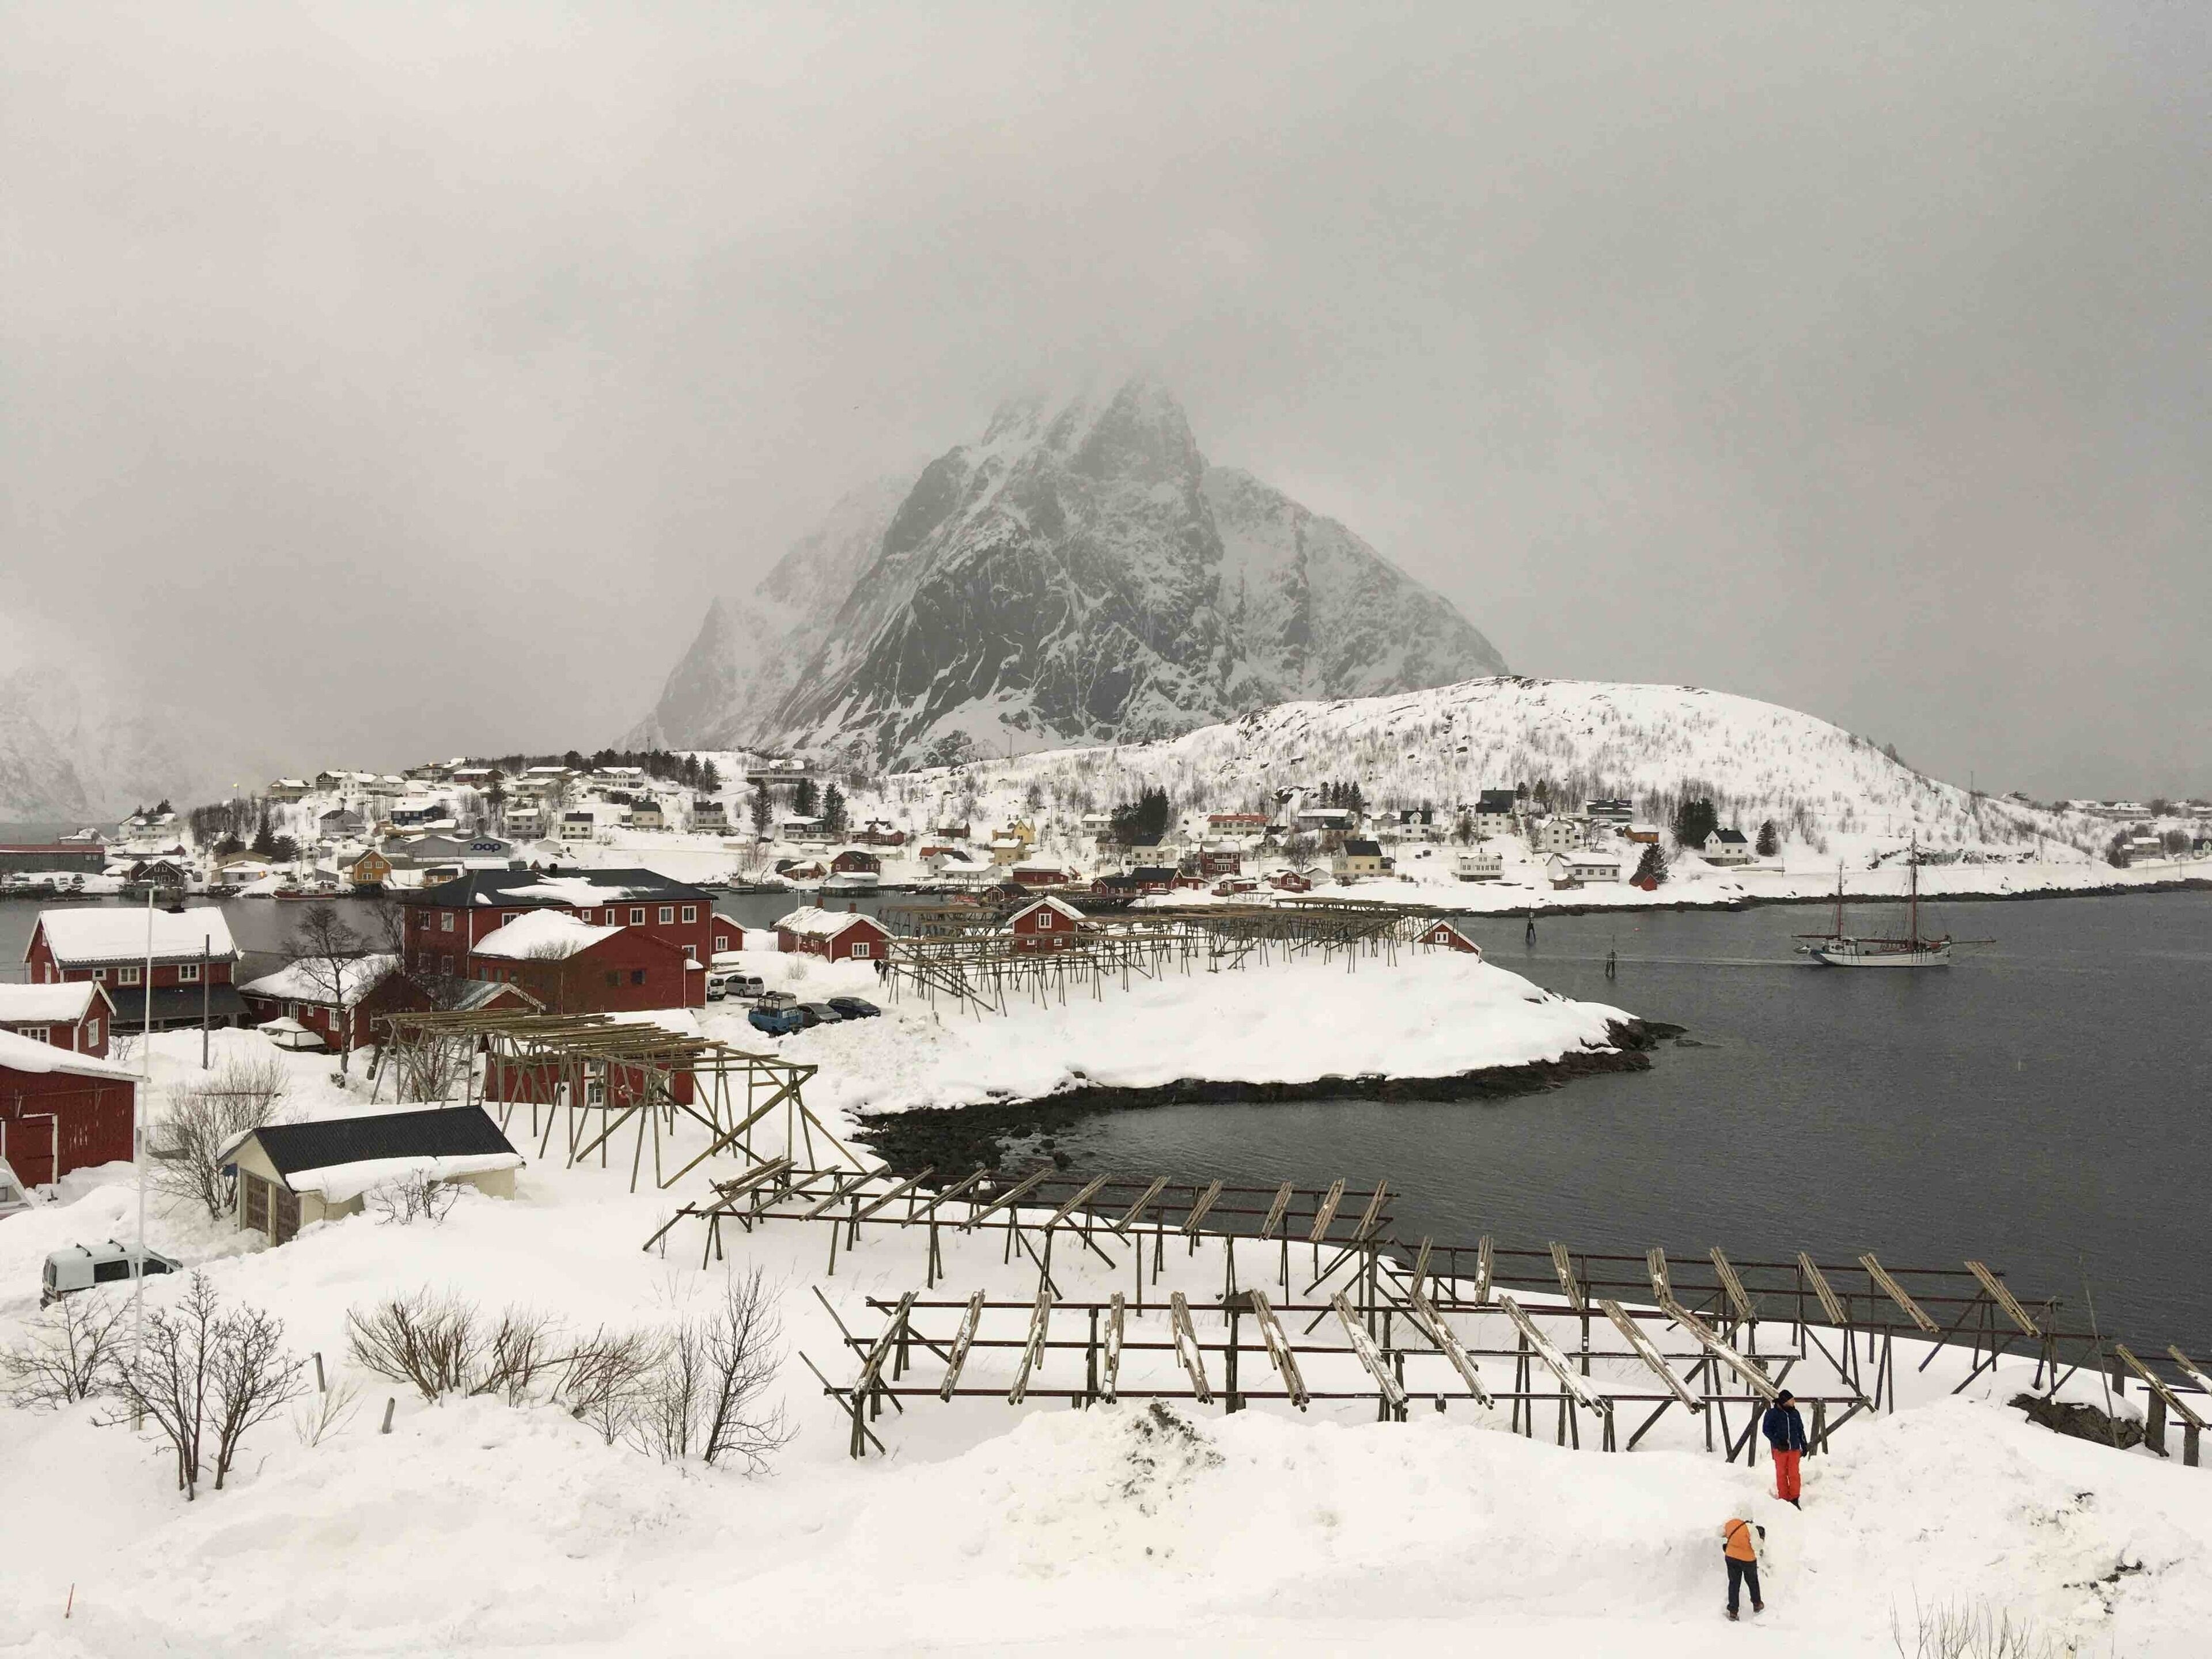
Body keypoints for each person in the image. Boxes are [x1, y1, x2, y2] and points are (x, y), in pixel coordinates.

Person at [1763, 1388, 1809, 1506]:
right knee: (1781, 1474)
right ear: (1785, 1401)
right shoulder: (1772, 1414)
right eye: (1792, 1400)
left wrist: (1804, 1444)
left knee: (1794, 1474)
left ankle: (1794, 1499)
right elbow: (1766, 1430)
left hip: (1794, 1448)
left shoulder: (1795, 1413)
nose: (1794, 1402)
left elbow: (1800, 1430)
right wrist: (1778, 1442)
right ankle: (1783, 1498)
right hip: (1780, 1450)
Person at [1720, 1516, 1764, 1620]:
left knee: (1734, 1583)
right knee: (1752, 1582)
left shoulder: (1730, 1523)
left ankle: (1733, 1611)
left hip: (1731, 1557)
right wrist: (1762, 1539)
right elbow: (1756, 1546)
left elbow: (1720, 1533)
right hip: (1747, 1560)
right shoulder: (1751, 1528)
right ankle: (1757, 1604)